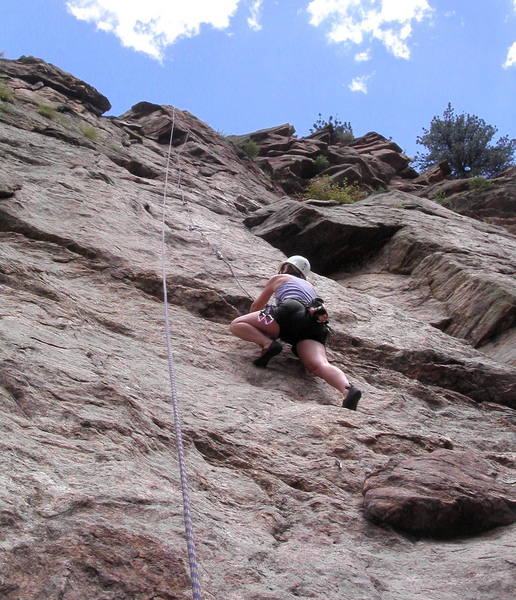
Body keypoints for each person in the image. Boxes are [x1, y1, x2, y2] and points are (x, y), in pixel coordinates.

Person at [230, 255, 362, 410]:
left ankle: (268, 345)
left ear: (285, 267)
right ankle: (347, 390)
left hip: (289, 311)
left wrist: (264, 329)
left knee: (237, 324)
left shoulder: (280, 278)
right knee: (319, 365)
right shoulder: (309, 287)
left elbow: (256, 307)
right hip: (313, 325)